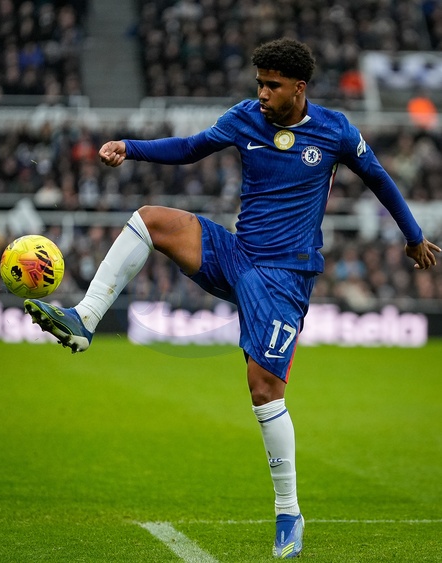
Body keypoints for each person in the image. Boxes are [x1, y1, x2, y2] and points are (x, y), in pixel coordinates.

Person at [24, 38, 440, 559]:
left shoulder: (335, 131)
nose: (262, 93)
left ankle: (288, 512)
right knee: (150, 219)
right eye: (259, 83)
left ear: (299, 88)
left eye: (272, 86)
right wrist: (130, 147)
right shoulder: (245, 118)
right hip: (238, 255)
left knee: (264, 390)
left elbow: (378, 177)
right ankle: (84, 319)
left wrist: (413, 236)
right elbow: (191, 147)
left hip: (285, 276)